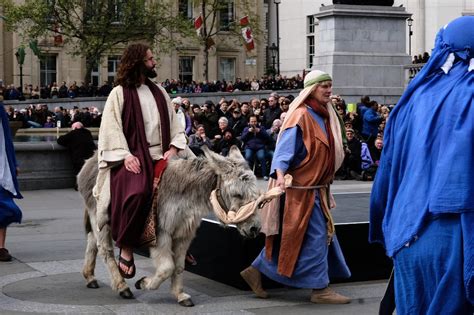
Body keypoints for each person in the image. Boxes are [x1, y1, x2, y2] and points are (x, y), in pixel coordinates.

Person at [370, 16, 474, 314]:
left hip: (408, 234)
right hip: (460, 238)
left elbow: (387, 175)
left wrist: (385, 225)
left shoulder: (413, 98)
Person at [240, 70, 351, 304]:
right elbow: (284, 150)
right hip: (301, 192)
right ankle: (320, 289)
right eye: (324, 86)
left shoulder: (323, 115)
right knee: (317, 237)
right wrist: (279, 174)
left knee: (298, 238)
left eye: (330, 85)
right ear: (311, 89)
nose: (329, 90)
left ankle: (256, 270)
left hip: (316, 189)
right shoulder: (300, 116)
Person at [93, 43, 186, 279]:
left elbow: (176, 126)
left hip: (162, 153)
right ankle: (126, 246)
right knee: (137, 192)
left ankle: (181, 244)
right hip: (131, 154)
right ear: (137, 63)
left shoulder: (160, 92)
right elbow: (110, 129)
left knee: (190, 187)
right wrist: (125, 155)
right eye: (150, 59)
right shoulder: (119, 93)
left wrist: (174, 147)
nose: (154, 63)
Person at [0, 103, 23, 261]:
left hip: (2, 167)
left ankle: (1, 247)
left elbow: (7, 139)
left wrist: (14, 163)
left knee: (5, 207)